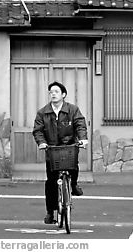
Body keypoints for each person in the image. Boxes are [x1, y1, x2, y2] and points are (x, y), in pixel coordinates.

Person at [32, 80, 88, 224]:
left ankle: (73, 185)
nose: (53, 94)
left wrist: (83, 139)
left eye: (56, 92)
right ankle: (50, 212)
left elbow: (80, 124)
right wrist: (42, 143)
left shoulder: (72, 110)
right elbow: (38, 131)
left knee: (73, 167)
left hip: (69, 146)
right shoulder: (43, 112)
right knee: (51, 182)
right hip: (51, 149)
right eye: (51, 92)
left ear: (63, 94)